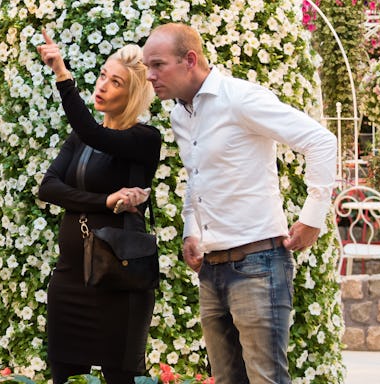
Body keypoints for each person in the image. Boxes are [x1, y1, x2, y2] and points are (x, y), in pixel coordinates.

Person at [141, 23, 337, 384]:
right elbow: (197, 176)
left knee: (266, 379)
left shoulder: (239, 98)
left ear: (190, 60)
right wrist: (191, 230)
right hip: (212, 269)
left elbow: (321, 142)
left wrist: (312, 218)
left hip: (258, 264)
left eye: (157, 65)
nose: (150, 76)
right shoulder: (180, 114)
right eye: (147, 67)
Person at [36, 30, 162, 384]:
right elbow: (49, 188)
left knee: (121, 377)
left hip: (118, 283)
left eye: (116, 82)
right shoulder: (79, 139)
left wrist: (62, 73)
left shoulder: (143, 139)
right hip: (70, 279)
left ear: (132, 93)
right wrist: (104, 201)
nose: (103, 85)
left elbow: (96, 135)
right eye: (104, 75)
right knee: (63, 374)